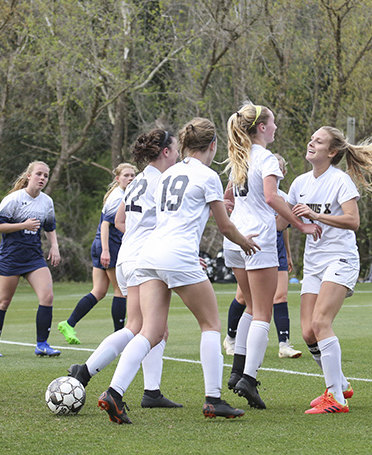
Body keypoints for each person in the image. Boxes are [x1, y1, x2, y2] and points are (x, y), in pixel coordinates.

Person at [97, 117, 260, 424]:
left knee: (151, 331)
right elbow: (224, 226)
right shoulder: (208, 175)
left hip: (150, 253)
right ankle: (213, 399)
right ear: (212, 146)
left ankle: (114, 393)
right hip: (178, 254)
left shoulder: (169, 172)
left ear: (184, 144)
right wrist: (245, 242)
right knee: (211, 324)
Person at [289, 126, 372, 414]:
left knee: (321, 322)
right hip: (313, 264)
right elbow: (282, 219)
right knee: (308, 332)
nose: (311, 143)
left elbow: (353, 221)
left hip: (340, 259)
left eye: (319, 141)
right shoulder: (299, 183)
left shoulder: (340, 181)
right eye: (311, 138)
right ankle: (339, 382)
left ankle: (336, 397)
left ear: (332, 152)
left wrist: (315, 215)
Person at [67, 129, 181, 408]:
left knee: (149, 327)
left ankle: (151, 392)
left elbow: (120, 220)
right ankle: (88, 373)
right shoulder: (163, 181)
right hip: (146, 261)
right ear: (165, 151)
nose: (179, 154)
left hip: (127, 257)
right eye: (176, 149)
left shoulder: (137, 181)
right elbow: (170, 224)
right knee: (142, 329)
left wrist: (139, 235)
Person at [223, 103, 320, 410]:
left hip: (235, 240)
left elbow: (227, 197)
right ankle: (249, 380)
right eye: (273, 123)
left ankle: (238, 370)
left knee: (251, 306)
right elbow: (270, 196)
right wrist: (300, 223)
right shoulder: (265, 158)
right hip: (258, 240)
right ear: (262, 127)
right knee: (263, 312)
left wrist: (233, 212)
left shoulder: (239, 155)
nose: (276, 127)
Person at [222, 153, 302, 359]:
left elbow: (282, 228)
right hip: (254, 242)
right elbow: (229, 199)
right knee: (247, 301)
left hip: (274, 247)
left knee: (280, 295)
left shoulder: (283, 197)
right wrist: (302, 223)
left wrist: (288, 254)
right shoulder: (262, 192)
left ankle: (284, 344)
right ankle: (232, 340)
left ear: (282, 173)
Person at [0, 161, 61, 357]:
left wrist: (54, 246)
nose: (42, 178)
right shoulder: (14, 199)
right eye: (39, 174)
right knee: (3, 301)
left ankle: (42, 344)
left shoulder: (47, 202)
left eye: (45, 175)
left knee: (47, 296)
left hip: (34, 257)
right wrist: (23, 225)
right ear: (29, 176)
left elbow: (50, 227)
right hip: (11, 256)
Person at [57, 163, 137, 344]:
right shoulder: (118, 197)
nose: (130, 178)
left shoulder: (124, 195)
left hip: (102, 246)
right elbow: (106, 225)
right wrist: (106, 251)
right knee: (121, 292)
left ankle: (69, 324)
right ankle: (120, 336)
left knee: (99, 291)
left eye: (133, 175)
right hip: (109, 246)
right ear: (118, 179)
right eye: (126, 175)